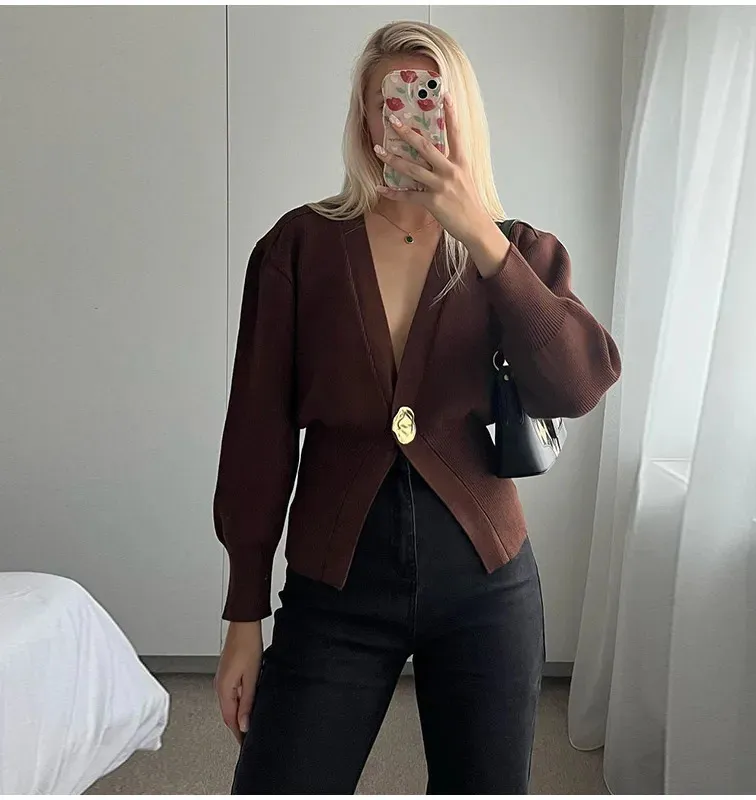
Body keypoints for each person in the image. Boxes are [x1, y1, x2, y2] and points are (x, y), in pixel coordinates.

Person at [212, 20, 621, 795]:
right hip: (333, 588)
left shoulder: (517, 250)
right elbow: (256, 437)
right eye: (388, 99)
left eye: (428, 95)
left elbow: (580, 384)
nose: (406, 115)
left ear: (460, 112)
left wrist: (481, 238)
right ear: (364, 119)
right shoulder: (298, 248)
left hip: (487, 585)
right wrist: (242, 616)